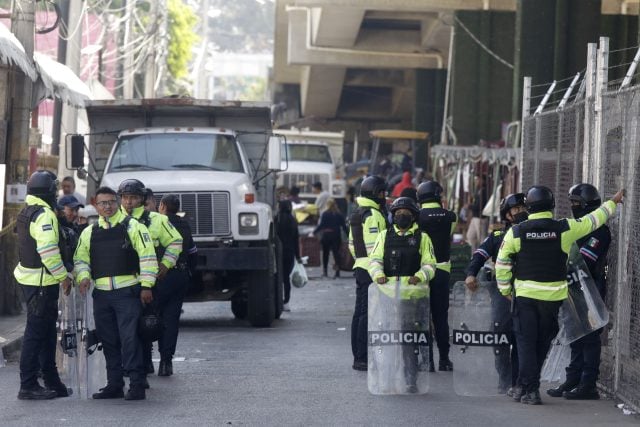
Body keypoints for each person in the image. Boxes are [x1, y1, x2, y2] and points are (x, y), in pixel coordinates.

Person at [496, 185, 624, 405]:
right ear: (553, 206)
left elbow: (502, 264)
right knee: (542, 344)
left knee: (526, 343)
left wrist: (506, 290)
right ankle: (528, 387)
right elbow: (594, 219)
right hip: (553, 299)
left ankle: (529, 389)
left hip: (525, 298)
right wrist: (613, 201)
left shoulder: (516, 231)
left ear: (528, 207)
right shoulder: (565, 228)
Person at [74, 186, 158, 400]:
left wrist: (147, 285)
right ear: (96, 205)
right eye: (103, 203)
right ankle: (115, 384)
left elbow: (148, 257)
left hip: (127, 294)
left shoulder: (133, 226)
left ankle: (137, 384)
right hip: (102, 295)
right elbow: (81, 259)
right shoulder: (89, 232)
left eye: (111, 202)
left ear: (117, 202)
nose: (108, 206)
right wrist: (83, 276)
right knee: (108, 340)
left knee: (129, 339)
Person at [547, 184, 611, 400]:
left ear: (586, 205)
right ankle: (573, 378)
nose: (573, 207)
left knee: (591, 337)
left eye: (576, 203)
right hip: (573, 287)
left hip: (591, 289)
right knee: (575, 334)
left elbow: (584, 258)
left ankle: (588, 384)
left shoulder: (600, 231)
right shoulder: (578, 227)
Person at [367, 196, 437, 392]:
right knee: (385, 339)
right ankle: (386, 378)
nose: (402, 216)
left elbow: (430, 265)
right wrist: (378, 274)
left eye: (406, 213)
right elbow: (374, 261)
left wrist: (420, 276)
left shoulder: (422, 238)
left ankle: (410, 380)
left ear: (413, 216)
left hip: (412, 299)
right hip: (386, 297)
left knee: (408, 342)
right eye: (398, 213)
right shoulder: (384, 236)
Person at [14, 170, 72, 400]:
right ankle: (27, 385)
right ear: (49, 191)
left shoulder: (28, 211)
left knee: (47, 333)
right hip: (41, 282)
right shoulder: (44, 215)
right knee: (36, 334)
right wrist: (63, 277)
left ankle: (51, 380)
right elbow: (48, 252)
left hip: (34, 281)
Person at [118, 179, 183, 376]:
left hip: (148, 283)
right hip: (121, 284)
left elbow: (175, 242)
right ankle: (133, 365)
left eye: (134, 198)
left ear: (142, 199)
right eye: (125, 198)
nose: (129, 202)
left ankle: (153, 362)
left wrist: (165, 264)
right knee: (126, 329)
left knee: (148, 325)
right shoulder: (112, 220)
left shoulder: (157, 220)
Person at [465, 192, 528, 395]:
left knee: (523, 338)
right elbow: (480, 254)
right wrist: (471, 274)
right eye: (516, 209)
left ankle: (520, 381)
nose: (520, 212)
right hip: (501, 293)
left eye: (523, 208)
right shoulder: (498, 236)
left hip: (527, 293)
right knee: (500, 336)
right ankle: (505, 379)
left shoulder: (532, 233)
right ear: (507, 215)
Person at [348, 176, 388, 371]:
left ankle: (359, 355)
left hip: (361, 266)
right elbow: (375, 246)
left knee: (359, 314)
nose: (384, 196)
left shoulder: (358, 212)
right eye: (381, 192)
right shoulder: (372, 214)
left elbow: (351, 245)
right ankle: (362, 357)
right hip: (371, 269)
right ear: (374, 193)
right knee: (366, 314)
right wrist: (378, 269)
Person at [416, 181, 457, 371]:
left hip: (422, 272)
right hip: (442, 270)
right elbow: (449, 234)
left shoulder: (416, 217)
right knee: (440, 317)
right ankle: (444, 359)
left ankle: (428, 361)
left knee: (422, 316)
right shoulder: (450, 217)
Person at [156, 194, 198, 376]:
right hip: (180, 275)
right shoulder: (184, 225)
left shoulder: (158, 223)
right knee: (171, 319)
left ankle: (146, 360)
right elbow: (193, 252)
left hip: (160, 276)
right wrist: (189, 272)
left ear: (163, 206)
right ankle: (166, 361)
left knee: (152, 317)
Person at [276, 200, 301, 312]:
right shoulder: (293, 221)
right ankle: (286, 302)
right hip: (289, 253)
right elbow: (296, 240)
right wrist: (298, 256)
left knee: (277, 277)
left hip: (277, 252)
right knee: (286, 278)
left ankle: (277, 300)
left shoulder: (277, 219)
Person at [314, 198, 348, 278]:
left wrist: (314, 232)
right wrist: (349, 235)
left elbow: (321, 225)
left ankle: (325, 271)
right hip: (336, 236)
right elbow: (344, 226)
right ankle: (337, 271)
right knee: (336, 254)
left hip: (326, 236)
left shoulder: (325, 214)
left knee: (325, 254)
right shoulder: (339, 214)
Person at [466, 174, 489, 250]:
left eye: (478, 179)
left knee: (482, 239)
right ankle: (473, 255)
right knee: (470, 236)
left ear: (483, 181)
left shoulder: (484, 191)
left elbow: (480, 206)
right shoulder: (478, 191)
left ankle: (484, 258)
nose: (476, 181)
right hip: (475, 217)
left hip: (480, 218)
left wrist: (469, 206)